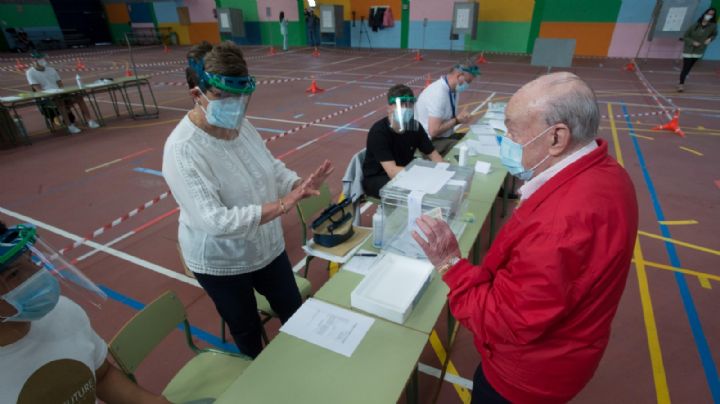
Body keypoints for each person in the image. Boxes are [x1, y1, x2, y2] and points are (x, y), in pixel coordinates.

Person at [412, 72, 638, 404]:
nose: (507, 142)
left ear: (556, 138)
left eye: (513, 133)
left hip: (524, 378)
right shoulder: (610, 174)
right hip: (567, 355)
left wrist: (450, 264)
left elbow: (503, 320)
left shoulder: (560, 225)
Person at [163, 41, 334, 358]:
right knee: (246, 329)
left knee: (293, 308)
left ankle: (304, 365)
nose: (236, 107)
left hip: (266, 247)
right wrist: (284, 204)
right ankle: (258, 374)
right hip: (222, 261)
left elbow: (269, 166)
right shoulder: (183, 150)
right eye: (224, 98)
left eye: (241, 98)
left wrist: (297, 183)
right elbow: (216, 222)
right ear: (196, 95)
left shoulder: (240, 126)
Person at [0, 222, 168, 403]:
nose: (37, 273)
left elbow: (103, 377)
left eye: (30, 259)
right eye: (14, 274)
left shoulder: (63, 313)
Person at [362, 84, 444, 198]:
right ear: (389, 107)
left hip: (403, 171)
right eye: (401, 105)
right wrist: (423, 174)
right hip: (379, 178)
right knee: (417, 192)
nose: (406, 109)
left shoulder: (415, 127)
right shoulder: (379, 132)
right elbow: (392, 171)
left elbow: (434, 155)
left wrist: (443, 170)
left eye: (409, 105)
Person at [25, 52, 99, 134]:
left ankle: (90, 120)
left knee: (79, 97)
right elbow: (37, 89)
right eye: (40, 59)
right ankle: (70, 125)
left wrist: (63, 92)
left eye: (43, 58)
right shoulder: (30, 72)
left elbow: (60, 84)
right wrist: (49, 94)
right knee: (60, 102)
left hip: (59, 92)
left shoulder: (51, 69)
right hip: (46, 97)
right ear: (33, 60)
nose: (43, 60)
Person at [414, 63, 480, 156]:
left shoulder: (453, 90)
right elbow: (433, 131)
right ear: (459, 76)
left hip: (444, 136)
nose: (468, 85)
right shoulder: (438, 94)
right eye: (468, 81)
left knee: (472, 139)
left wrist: (460, 119)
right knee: (467, 152)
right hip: (430, 143)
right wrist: (457, 120)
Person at [678, 7, 717, 92]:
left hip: (699, 50)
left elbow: (714, 35)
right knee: (686, 67)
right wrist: (692, 42)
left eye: (711, 14)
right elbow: (685, 36)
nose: (709, 15)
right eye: (708, 13)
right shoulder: (696, 24)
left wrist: (710, 39)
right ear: (705, 14)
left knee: (689, 67)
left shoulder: (713, 26)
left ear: (713, 16)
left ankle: (682, 79)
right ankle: (681, 84)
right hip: (688, 49)